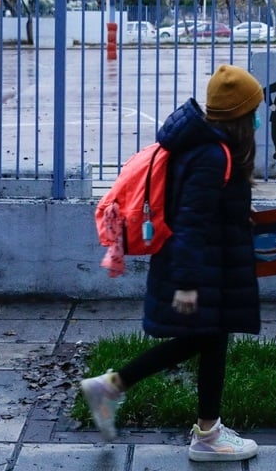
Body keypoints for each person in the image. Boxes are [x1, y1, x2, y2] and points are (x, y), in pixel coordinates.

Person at [79, 64, 264, 462]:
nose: (258, 119)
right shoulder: (213, 155)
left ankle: (204, 429)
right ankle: (122, 391)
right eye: (255, 111)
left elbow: (201, 210)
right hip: (199, 268)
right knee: (204, 340)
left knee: (210, 340)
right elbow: (191, 224)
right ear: (241, 116)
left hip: (207, 264)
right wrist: (186, 284)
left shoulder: (207, 147)